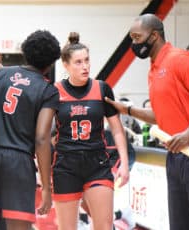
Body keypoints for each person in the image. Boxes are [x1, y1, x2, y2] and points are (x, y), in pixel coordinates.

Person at [105, 14, 189, 230]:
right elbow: (161, 115)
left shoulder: (181, 59)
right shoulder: (153, 69)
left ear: (154, 35)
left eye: (137, 37)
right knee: (180, 224)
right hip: (175, 157)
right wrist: (128, 110)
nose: (134, 43)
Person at [0, 30, 61, 230]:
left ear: (25, 52)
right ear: (51, 62)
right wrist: (46, 187)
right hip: (18, 163)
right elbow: (42, 139)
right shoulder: (48, 90)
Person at [52, 32, 129, 230]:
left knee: (104, 225)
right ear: (66, 65)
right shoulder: (54, 91)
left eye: (87, 60)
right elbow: (45, 133)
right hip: (65, 164)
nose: (85, 66)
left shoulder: (102, 88)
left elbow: (117, 130)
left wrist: (125, 164)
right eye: (78, 62)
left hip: (97, 163)